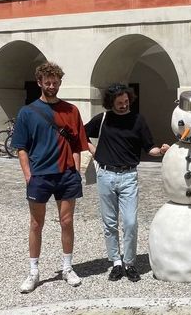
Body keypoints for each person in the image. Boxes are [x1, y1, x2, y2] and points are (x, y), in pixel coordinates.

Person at [11, 62, 89, 293]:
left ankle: (67, 267)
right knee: (36, 223)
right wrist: (28, 176)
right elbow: (21, 148)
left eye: (55, 82)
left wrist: (76, 168)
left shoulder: (71, 110)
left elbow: (77, 143)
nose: (52, 86)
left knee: (67, 222)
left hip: (66, 174)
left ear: (60, 83)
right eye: (48, 82)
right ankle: (33, 272)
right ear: (39, 83)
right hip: (40, 175)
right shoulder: (27, 112)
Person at [85, 83, 169, 282]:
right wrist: (93, 151)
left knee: (130, 222)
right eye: (119, 102)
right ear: (111, 102)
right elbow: (80, 134)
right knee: (109, 223)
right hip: (105, 176)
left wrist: (162, 151)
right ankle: (116, 262)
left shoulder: (138, 120)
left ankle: (130, 262)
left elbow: (150, 148)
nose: (124, 105)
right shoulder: (103, 119)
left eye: (126, 101)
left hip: (129, 176)